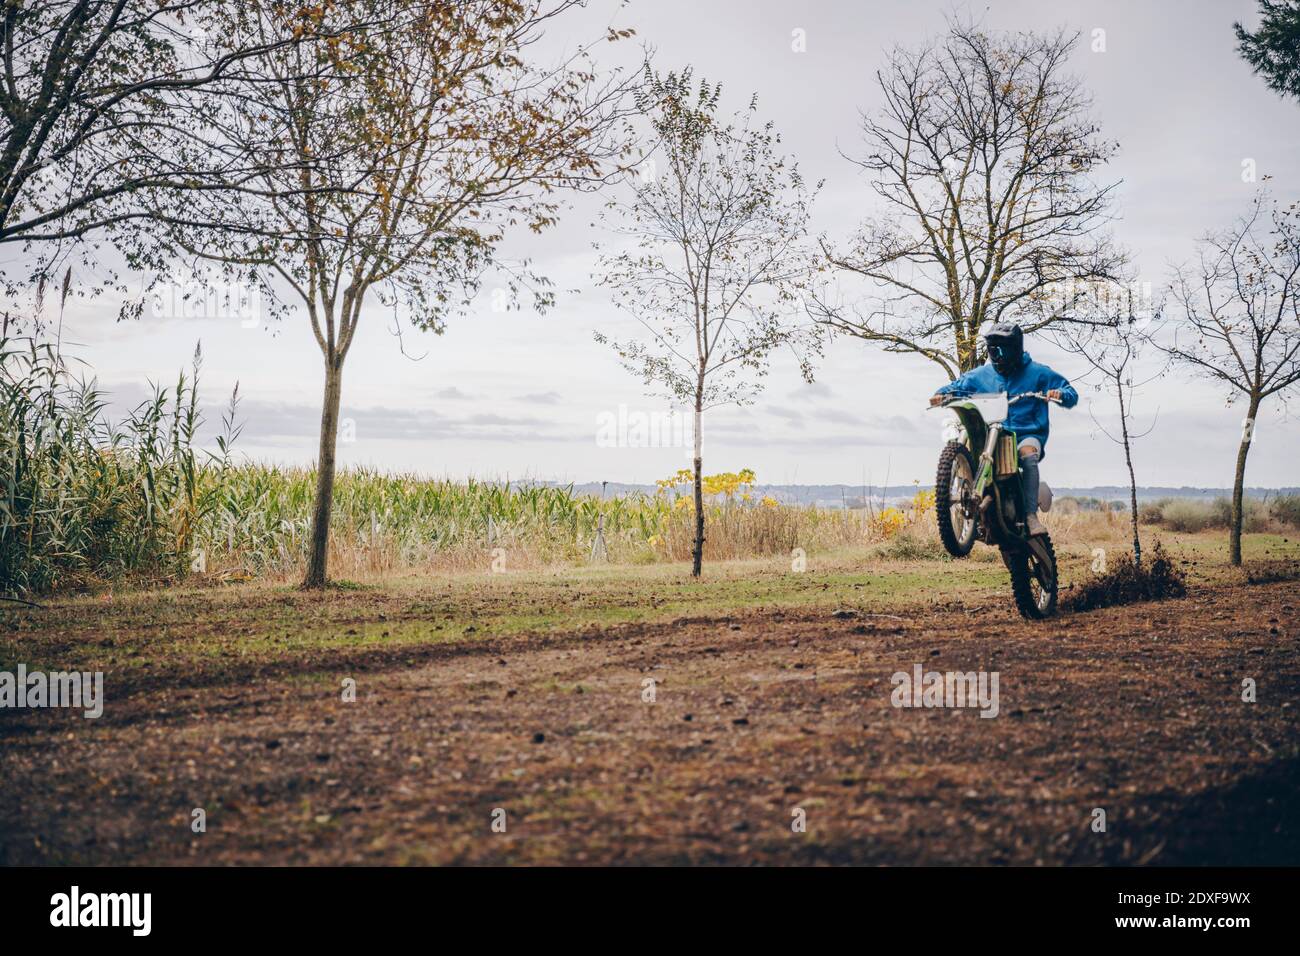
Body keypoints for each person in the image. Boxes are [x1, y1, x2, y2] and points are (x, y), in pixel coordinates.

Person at [929, 323, 1077, 536]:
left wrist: (1059, 394)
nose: (998, 354)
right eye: (993, 349)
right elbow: (957, 386)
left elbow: (1069, 391)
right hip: (993, 435)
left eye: (1003, 349)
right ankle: (969, 515)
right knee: (969, 449)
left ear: (1015, 348)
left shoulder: (1038, 373)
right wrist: (941, 394)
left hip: (1027, 433)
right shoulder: (981, 375)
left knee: (1027, 455)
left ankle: (1030, 516)